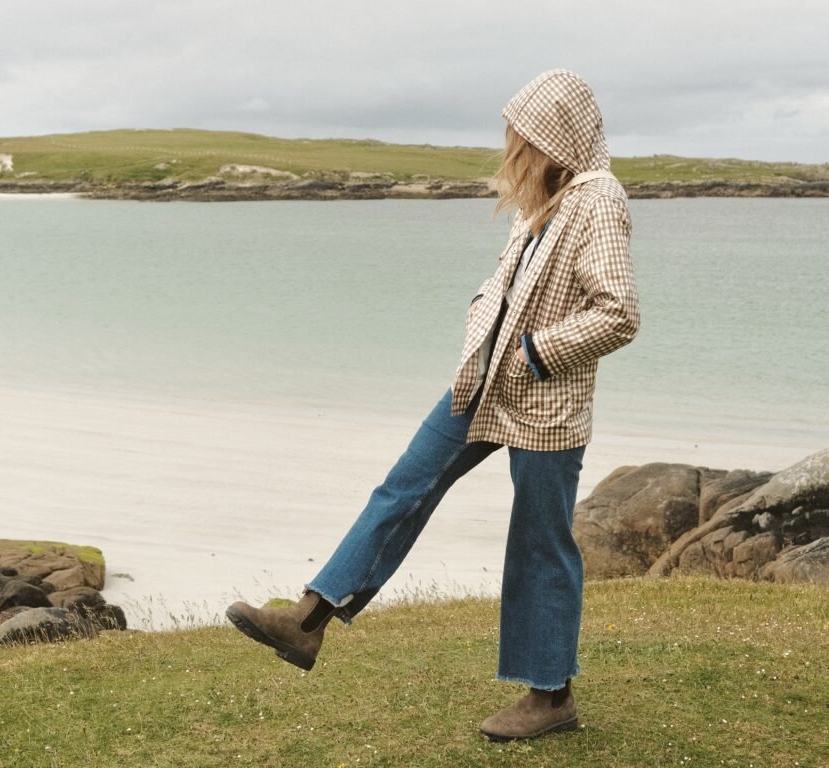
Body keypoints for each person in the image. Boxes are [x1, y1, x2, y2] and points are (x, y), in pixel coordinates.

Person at [226, 68, 640, 742]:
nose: (509, 143)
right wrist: (483, 307)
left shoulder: (597, 200)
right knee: (403, 486)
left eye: (520, 132)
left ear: (549, 137)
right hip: (482, 385)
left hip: (547, 404)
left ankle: (551, 697)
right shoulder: (546, 199)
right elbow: (510, 285)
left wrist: (535, 353)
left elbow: (618, 313)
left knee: (541, 544)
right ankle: (306, 622)